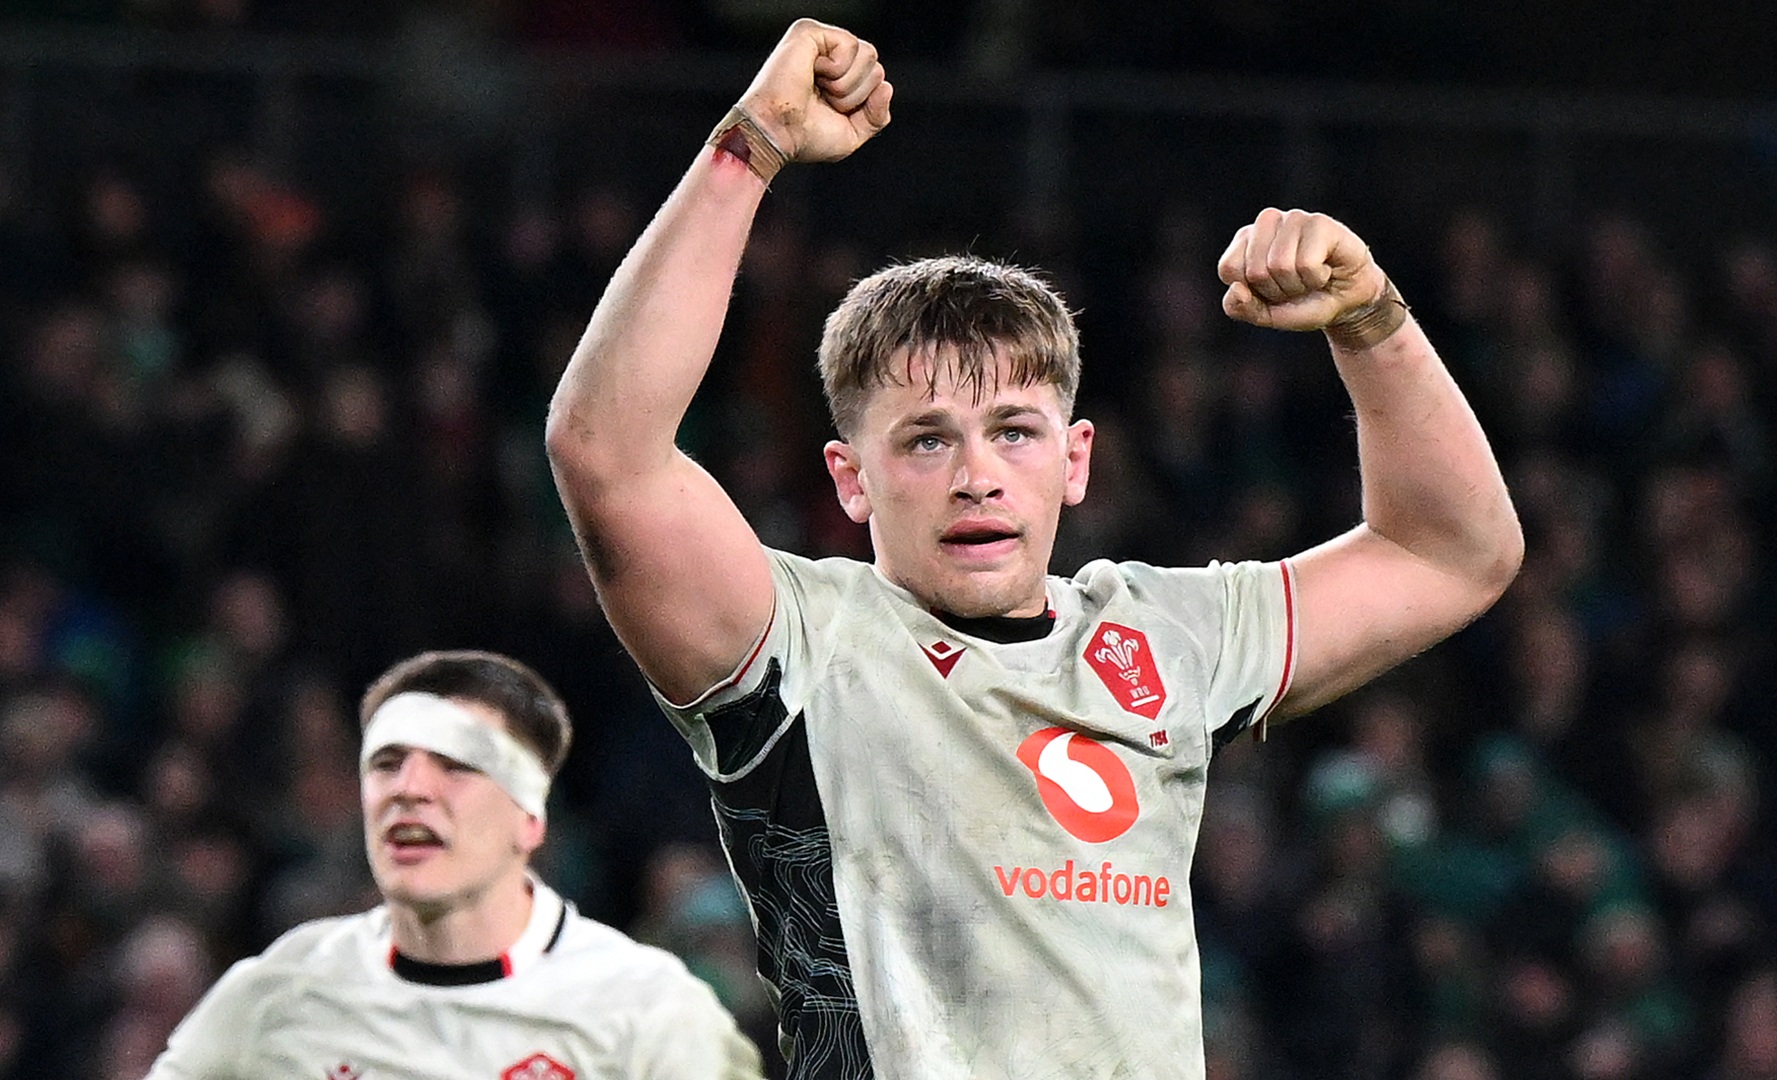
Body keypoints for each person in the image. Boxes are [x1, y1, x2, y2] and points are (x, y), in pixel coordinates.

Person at [545, 18, 1524, 1079]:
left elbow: (1452, 552)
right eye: (927, 439)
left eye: (1013, 430)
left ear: (1074, 459)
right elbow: (604, 454)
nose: (976, 473)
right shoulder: (798, 649)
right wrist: (749, 150)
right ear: (848, 479)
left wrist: (1372, 323)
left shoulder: (1165, 640)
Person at [143, 649, 763, 1080]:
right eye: (387, 763)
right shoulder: (277, 994)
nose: (408, 789)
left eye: (456, 766)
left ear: (530, 819)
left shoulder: (648, 1011)